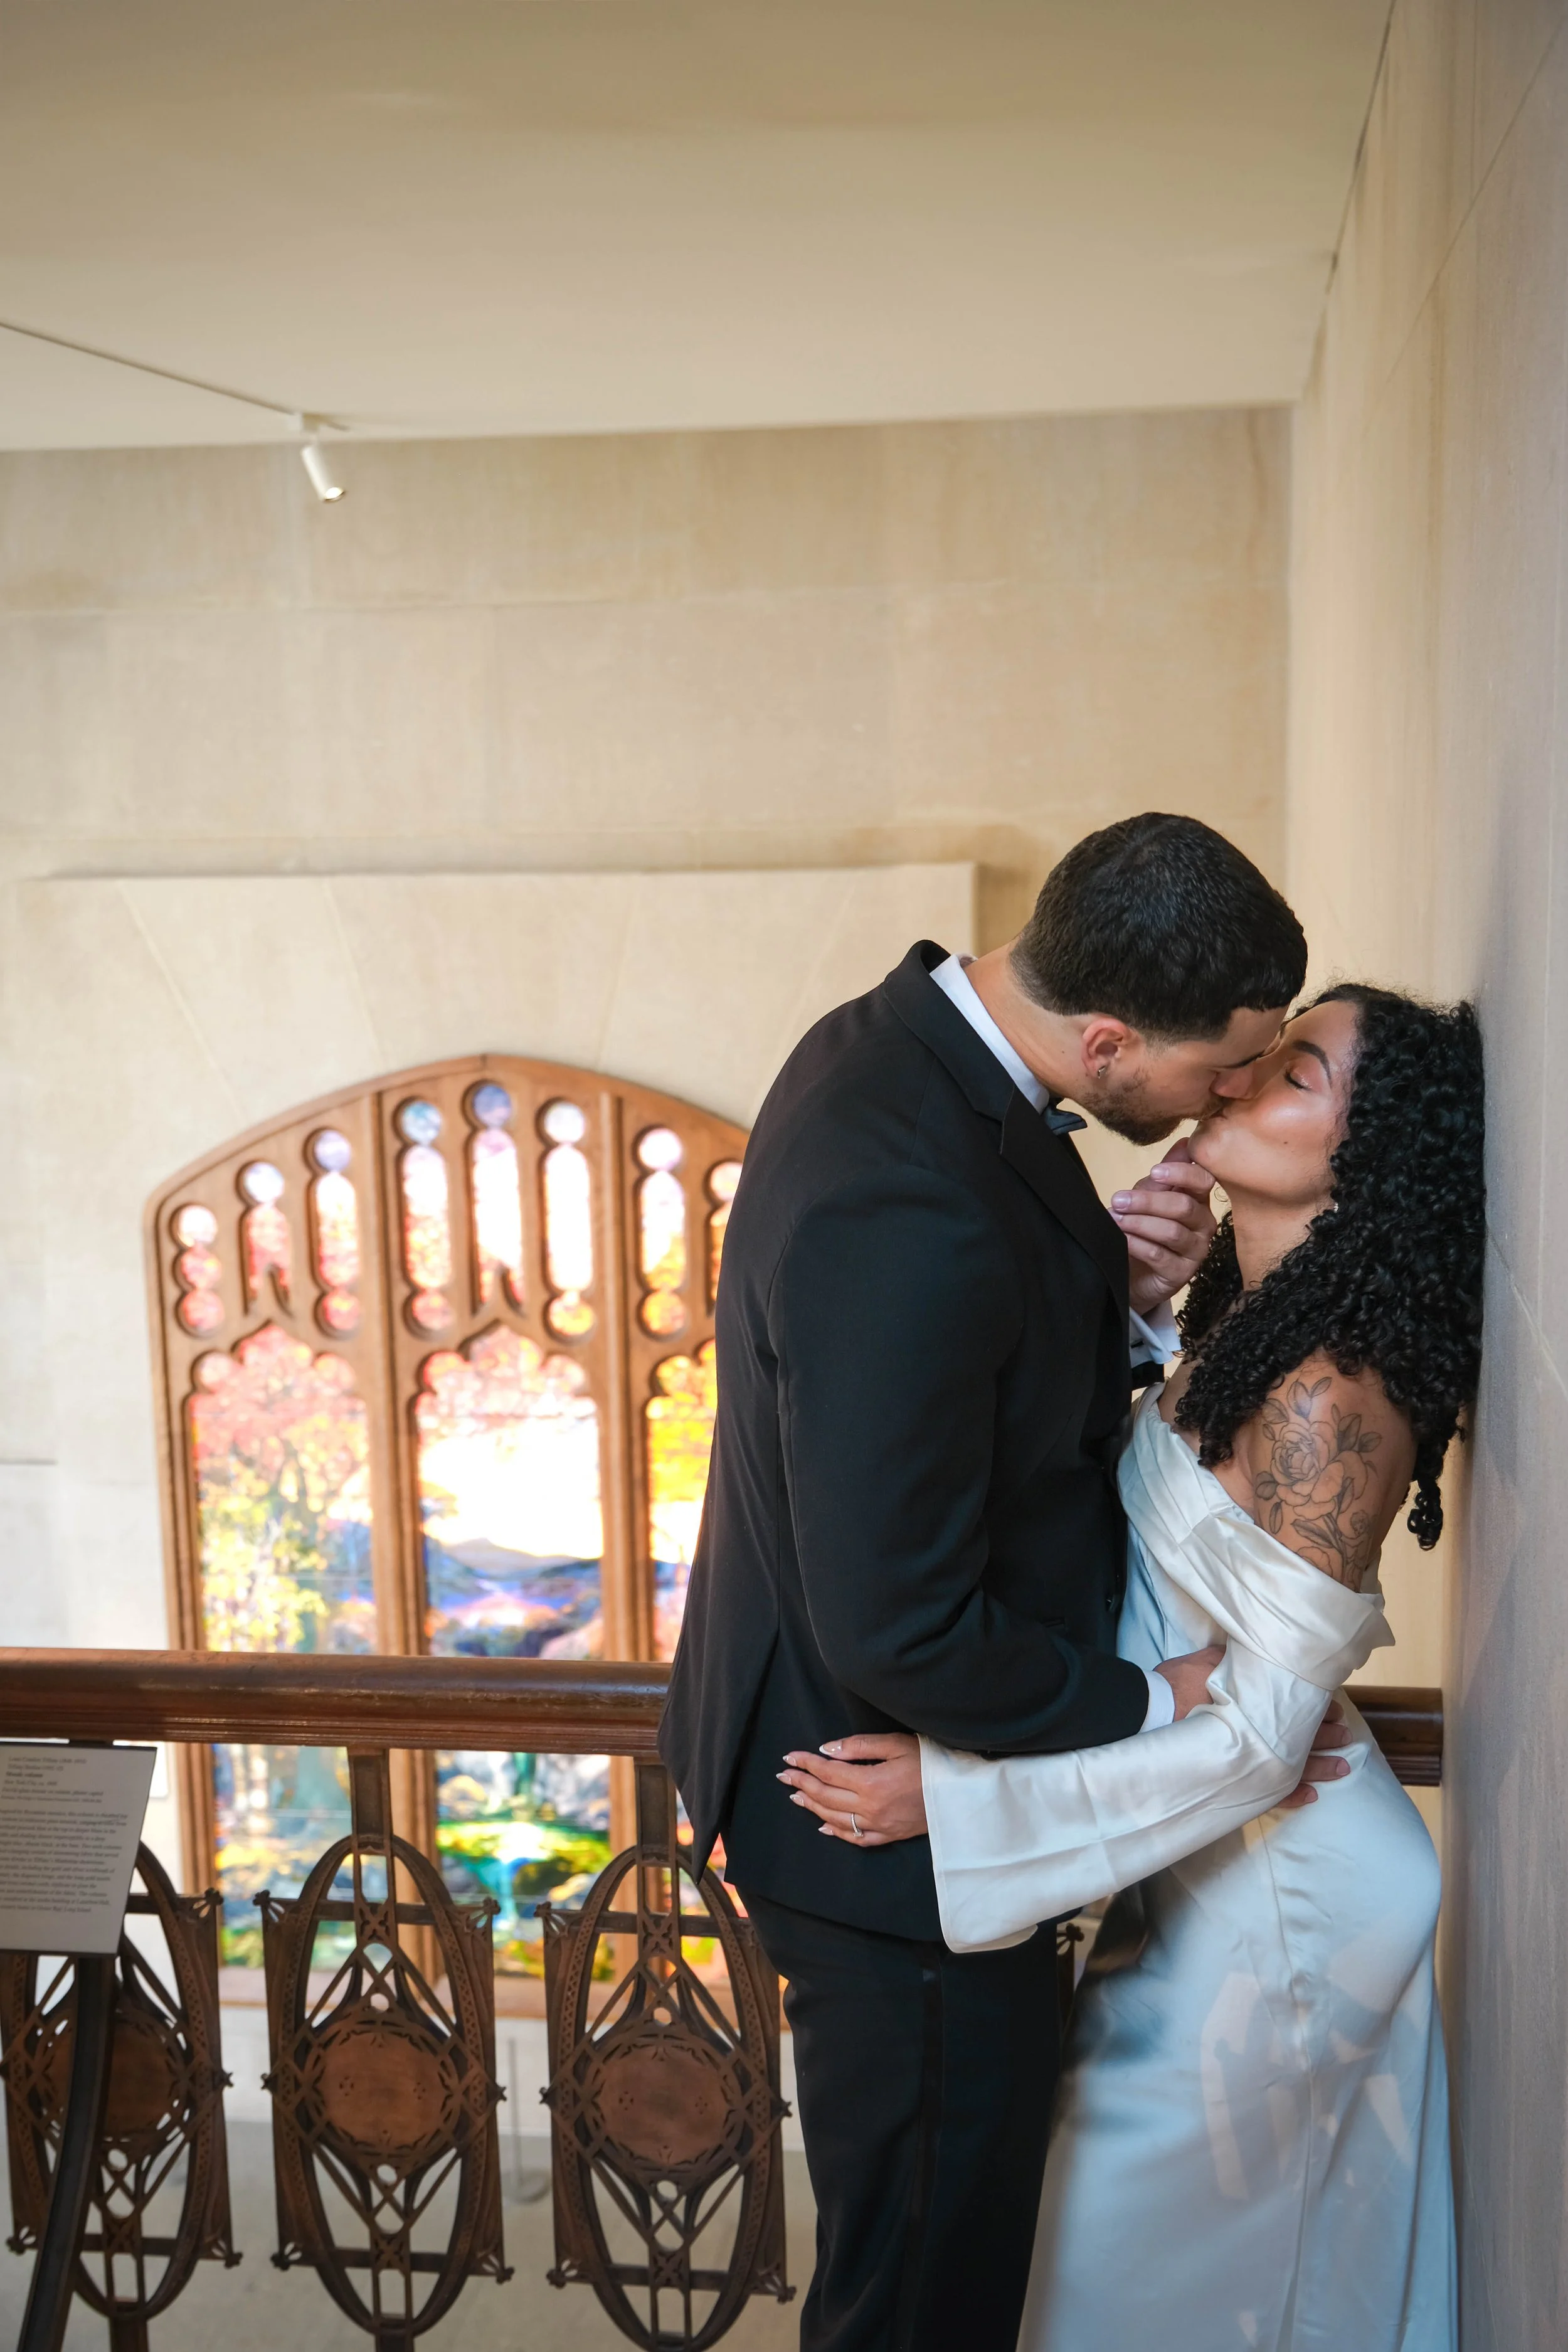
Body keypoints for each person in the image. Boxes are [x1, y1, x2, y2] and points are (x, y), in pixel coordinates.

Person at [660, 813, 1332, 2352]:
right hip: (877, 1824)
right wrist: (1145, 1702)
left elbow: (956, 1385)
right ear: (1105, 1040)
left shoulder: (897, 1042)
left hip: (896, 1780)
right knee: (920, 2303)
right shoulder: (904, 1195)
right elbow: (898, 1622)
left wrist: (1111, 1294)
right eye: (1223, 1064)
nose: (1228, 1094)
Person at [783, 982, 1483, 2351]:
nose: (1235, 1079)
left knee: (1122, 2286)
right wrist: (1126, 1301)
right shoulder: (1252, 1326)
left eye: (1293, 1075)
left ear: (1371, 1160)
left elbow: (1261, 1741)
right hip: (1192, 1868)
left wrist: (957, 1795)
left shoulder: (1328, 1398)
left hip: (1283, 1907)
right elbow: (1147, 1545)